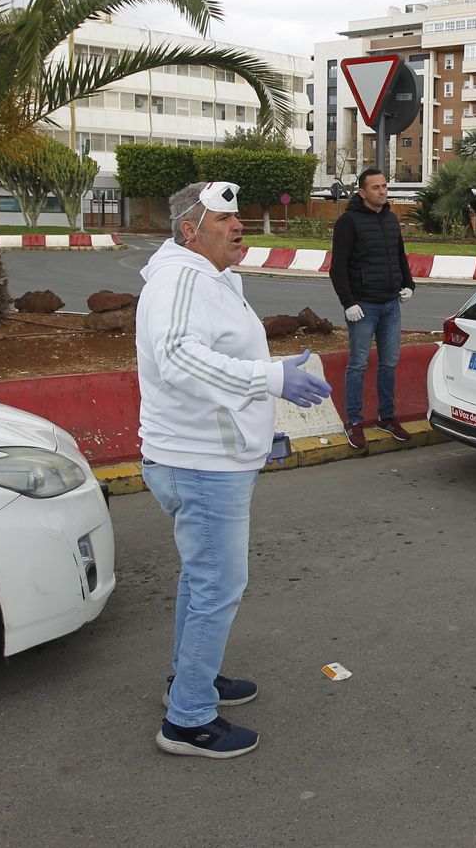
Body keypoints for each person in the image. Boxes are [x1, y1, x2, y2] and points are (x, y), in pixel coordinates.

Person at [136, 180, 332, 758]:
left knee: (203, 580)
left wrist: (267, 390)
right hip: (200, 461)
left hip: (214, 454)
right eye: (224, 218)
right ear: (190, 230)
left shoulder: (208, 276)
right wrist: (271, 379)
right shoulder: (180, 279)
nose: (238, 225)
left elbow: (221, 352)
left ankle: (192, 677)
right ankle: (188, 721)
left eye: (239, 216)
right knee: (217, 583)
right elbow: (177, 357)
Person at [329, 168, 415, 449]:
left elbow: (399, 254)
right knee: (358, 364)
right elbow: (337, 267)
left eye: (384, 186)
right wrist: (348, 302)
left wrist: (408, 283)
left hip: (391, 304)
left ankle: (386, 418)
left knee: (389, 362)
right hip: (363, 306)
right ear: (362, 192)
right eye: (376, 187)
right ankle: (354, 421)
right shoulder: (348, 222)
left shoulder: (391, 219)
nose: (382, 191)